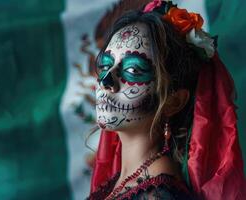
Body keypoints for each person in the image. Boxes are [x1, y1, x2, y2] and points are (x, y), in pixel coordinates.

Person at [87, 0, 245, 199]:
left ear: (174, 102)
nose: (106, 80)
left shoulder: (158, 195)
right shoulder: (123, 181)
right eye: (105, 66)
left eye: (133, 70)